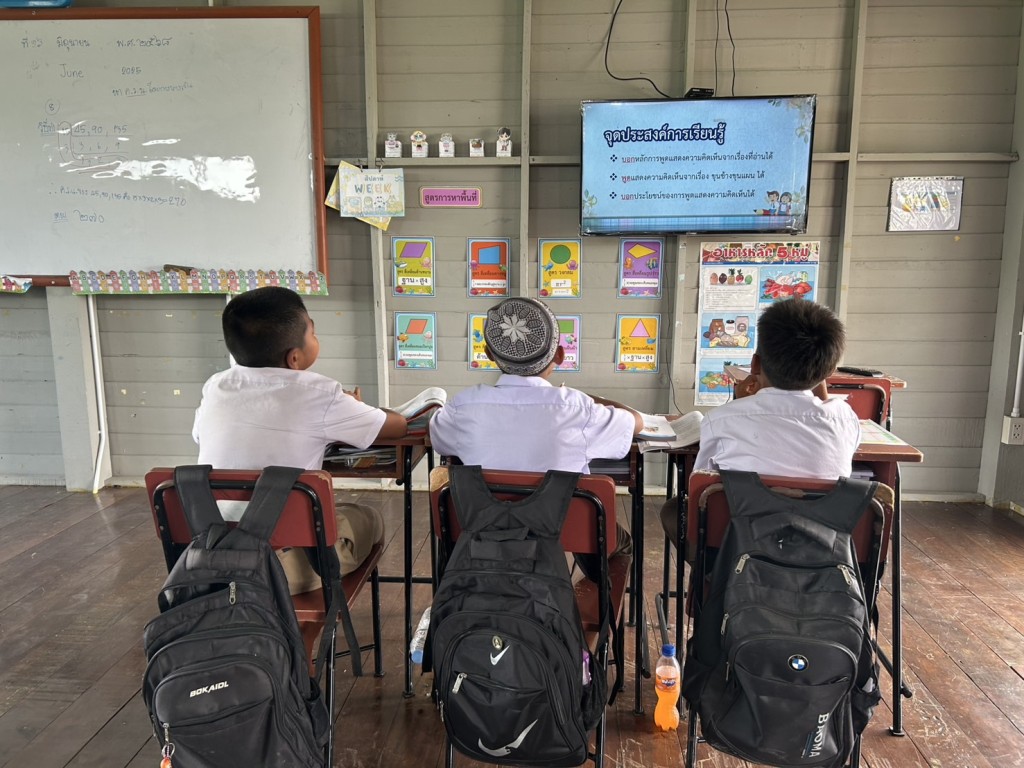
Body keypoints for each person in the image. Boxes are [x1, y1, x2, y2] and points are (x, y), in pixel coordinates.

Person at [193, 286, 408, 593]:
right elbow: (396, 426)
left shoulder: (216, 387)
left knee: (319, 512)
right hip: (278, 569)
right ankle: (327, 607)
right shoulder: (320, 393)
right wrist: (356, 407)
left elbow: (199, 434)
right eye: (313, 333)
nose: (316, 338)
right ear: (294, 358)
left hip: (211, 560)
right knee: (368, 517)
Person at [429, 296, 643, 580]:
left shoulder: (462, 408)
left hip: (487, 533)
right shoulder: (578, 409)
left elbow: (437, 436)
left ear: (489, 353)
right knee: (611, 536)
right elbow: (636, 422)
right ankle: (594, 600)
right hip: (560, 531)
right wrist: (593, 400)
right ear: (560, 355)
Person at [661, 298, 861, 545]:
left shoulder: (721, 419)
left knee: (675, 510)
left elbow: (701, 486)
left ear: (755, 364)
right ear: (828, 374)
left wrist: (738, 404)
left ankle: (714, 570)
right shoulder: (846, 419)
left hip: (742, 547)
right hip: (821, 548)